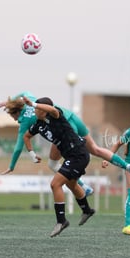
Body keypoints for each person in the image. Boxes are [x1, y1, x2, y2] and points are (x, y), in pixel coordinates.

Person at [0, 92, 130, 194]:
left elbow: (18, 147)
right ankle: (128, 166)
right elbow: (24, 91)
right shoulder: (28, 98)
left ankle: (83, 186)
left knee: (54, 164)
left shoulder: (24, 122)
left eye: (12, 115)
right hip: (71, 117)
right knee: (96, 149)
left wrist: (11, 166)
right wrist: (9, 102)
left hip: (63, 128)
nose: (13, 119)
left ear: (16, 112)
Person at [22, 96, 95, 237]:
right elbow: (26, 136)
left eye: (38, 108)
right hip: (72, 156)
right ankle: (87, 210)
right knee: (71, 184)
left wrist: (33, 103)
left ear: (44, 109)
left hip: (78, 154)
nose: (35, 110)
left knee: (55, 184)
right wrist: (32, 154)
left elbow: (52, 109)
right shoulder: (39, 124)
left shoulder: (56, 116)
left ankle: (61, 221)